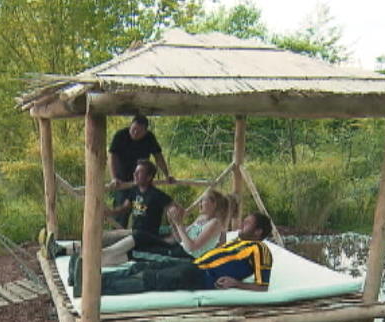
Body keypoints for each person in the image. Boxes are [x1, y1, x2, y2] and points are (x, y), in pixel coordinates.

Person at [70, 213, 273, 297]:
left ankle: (93, 289)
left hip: (201, 276)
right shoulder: (237, 243)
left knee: (150, 279)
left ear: (258, 232)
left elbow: (263, 287)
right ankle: (88, 280)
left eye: (247, 224)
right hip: (194, 266)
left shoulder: (260, 250)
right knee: (140, 267)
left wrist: (236, 283)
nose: (241, 224)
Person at [97, 189, 230, 267]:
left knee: (139, 244)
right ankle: (99, 259)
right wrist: (173, 223)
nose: (200, 203)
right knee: (140, 242)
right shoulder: (200, 219)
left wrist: (179, 224)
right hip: (178, 249)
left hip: (185, 257)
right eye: (200, 201)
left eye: (204, 200)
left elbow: (192, 247)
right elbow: (180, 239)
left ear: (214, 204)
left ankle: (99, 258)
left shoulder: (215, 223)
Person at [108, 115, 175, 228]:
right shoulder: (120, 135)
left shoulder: (150, 138)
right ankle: (119, 239)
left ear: (145, 131)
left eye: (138, 131)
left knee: (143, 214)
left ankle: (142, 237)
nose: (134, 132)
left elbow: (158, 157)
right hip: (122, 181)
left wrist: (167, 175)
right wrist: (114, 177)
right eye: (133, 129)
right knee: (121, 216)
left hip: (143, 182)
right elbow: (112, 157)